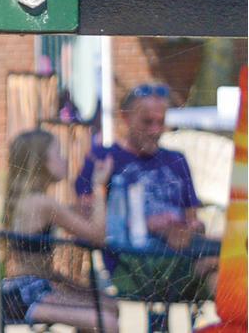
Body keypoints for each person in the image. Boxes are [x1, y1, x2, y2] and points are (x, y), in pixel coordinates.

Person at [77, 84, 216, 298]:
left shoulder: (177, 159)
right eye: (147, 122)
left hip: (180, 259)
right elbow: (88, 223)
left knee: (231, 263)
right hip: (131, 265)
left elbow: (193, 219)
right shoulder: (103, 157)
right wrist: (148, 224)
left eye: (161, 122)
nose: (155, 130)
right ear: (125, 118)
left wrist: (191, 228)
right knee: (224, 262)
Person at [3, 128, 118, 331]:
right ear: (41, 162)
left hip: (28, 287)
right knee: (106, 321)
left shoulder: (31, 200)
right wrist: (99, 185)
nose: (64, 160)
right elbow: (98, 236)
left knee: (109, 305)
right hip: (26, 294)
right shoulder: (43, 203)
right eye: (58, 153)